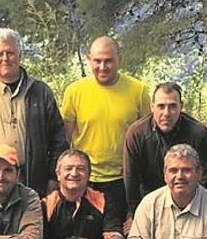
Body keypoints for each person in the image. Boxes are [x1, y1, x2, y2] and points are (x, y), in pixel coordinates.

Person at [0, 28, 67, 197]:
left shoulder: (40, 92)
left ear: (20, 55)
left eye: (10, 53)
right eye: (0, 54)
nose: (5, 58)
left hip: (33, 184)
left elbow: (59, 139)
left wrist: (53, 180)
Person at [61, 36, 150, 224]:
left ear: (120, 59)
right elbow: (65, 140)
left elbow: (146, 141)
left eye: (109, 60)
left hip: (124, 180)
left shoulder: (138, 90)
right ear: (89, 59)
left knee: (122, 238)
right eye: (97, 61)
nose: (103, 66)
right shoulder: (74, 92)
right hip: (85, 181)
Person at [122, 82, 207, 229]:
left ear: (181, 106)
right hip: (148, 202)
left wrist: (192, 210)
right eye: (161, 106)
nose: (166, 113)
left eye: (172, 106)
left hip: (188, 201)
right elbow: (131, 178)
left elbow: (204, 177)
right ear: (152, 106)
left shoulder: (198, 133)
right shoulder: (136, 133)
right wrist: (136, 214)